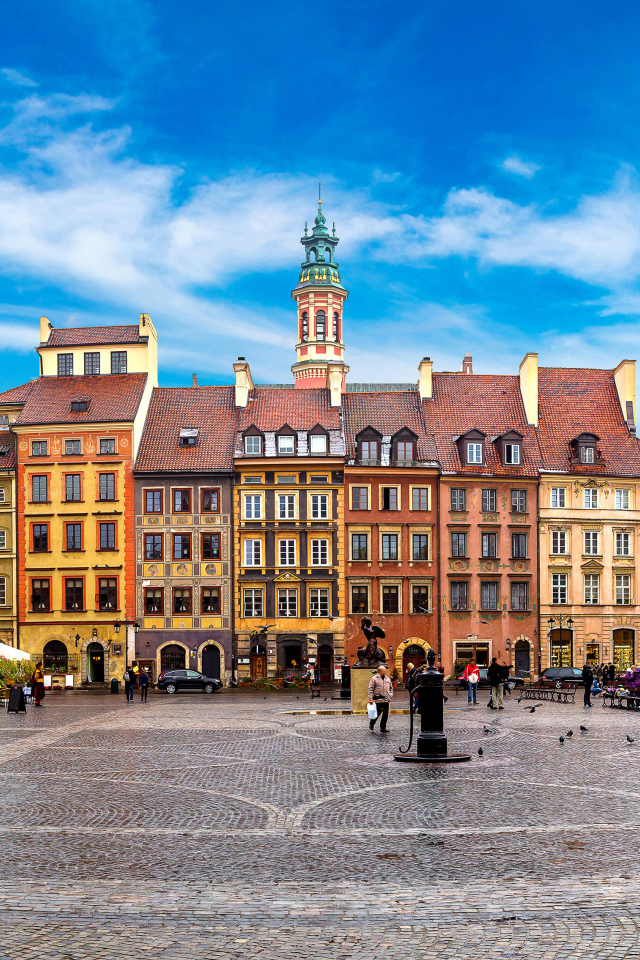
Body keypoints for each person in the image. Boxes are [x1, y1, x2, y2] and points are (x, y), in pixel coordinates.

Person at [368, 663, 393, 732]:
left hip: (386, 699)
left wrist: (390, 695)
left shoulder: (387, 679)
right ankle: (372, 722)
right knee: (377, 713)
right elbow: (370, 689)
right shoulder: (374, 679)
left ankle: (383, 728)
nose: (384, 672)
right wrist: (370, 698)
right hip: (378, 699)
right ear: (379, 671)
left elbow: (391, 688)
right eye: (383, 671)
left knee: (385, 714)